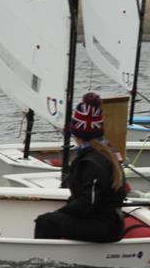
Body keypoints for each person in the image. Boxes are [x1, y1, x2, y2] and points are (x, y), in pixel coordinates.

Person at [34, 92, 127, 242]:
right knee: (54, 218)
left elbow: (88, 202)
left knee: (46, 222)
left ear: (76, 134)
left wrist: (59, 213)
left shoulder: (91, 162)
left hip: (105, 227)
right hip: (109, 222)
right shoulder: (108, 153)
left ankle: (43, 261)